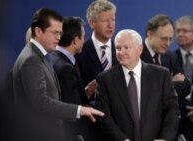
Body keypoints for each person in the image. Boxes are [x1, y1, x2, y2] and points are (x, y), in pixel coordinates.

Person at [12, 8, 104, 141]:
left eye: (60, 33)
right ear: (38, 31)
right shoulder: (31, 59)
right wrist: (79, 110)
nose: (59, 38)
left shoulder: (40, 56)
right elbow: (40, 102)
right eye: (55, 33)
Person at [95, 29, 179, 141]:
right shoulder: (105, 79)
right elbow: (103, 116)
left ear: (140, 49)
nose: (121, 52)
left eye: (126, 47)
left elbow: (172, 111)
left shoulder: (161, 75)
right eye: (118, 48)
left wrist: (165, 139)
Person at [50, 17, 97, 141]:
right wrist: (101, 101)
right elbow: (74, 110)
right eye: (83, 37)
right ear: (75, 40)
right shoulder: (66, 68)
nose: (84, 40)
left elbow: (65, 96)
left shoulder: (53, 57)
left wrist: (84, 92)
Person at [75, 0, 118, 102]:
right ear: (92, 23)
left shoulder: (121, 49)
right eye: (105, 21)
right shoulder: (80, 52)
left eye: (113, 20)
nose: (110, 25)